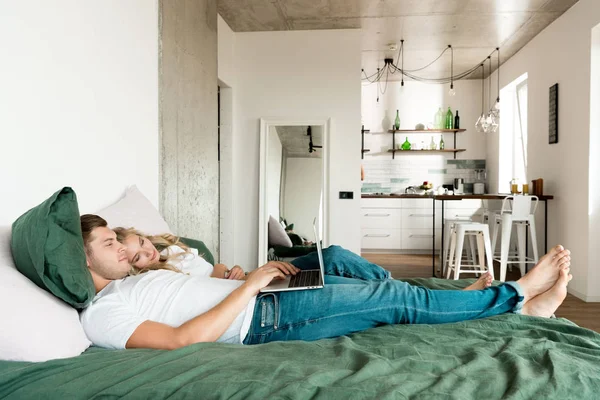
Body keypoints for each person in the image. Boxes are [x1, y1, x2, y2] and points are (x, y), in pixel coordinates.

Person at [79, 214, 572, 351]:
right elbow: (182, 340)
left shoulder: (131, 283)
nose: (122, 248)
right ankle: (515, 294)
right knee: (392, 297)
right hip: (265, 318)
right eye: (108, 244)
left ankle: (522, 309)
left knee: (371, 293)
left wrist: (253, 281)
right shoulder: (102, 314)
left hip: (267, 298)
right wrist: (249, 287)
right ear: (82, 263)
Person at [115, 227, 493, 290]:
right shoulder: (155, 280)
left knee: (334, 255)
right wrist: (235, 282)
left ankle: (392, 285)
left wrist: (228, 270)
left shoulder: (175, 250)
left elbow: (213, 270)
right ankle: (397, 289)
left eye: (143, 242)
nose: (148, 251)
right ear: (131, 265)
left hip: (247, 276)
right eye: (139, 256)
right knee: (337, 271)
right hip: (249, 290)